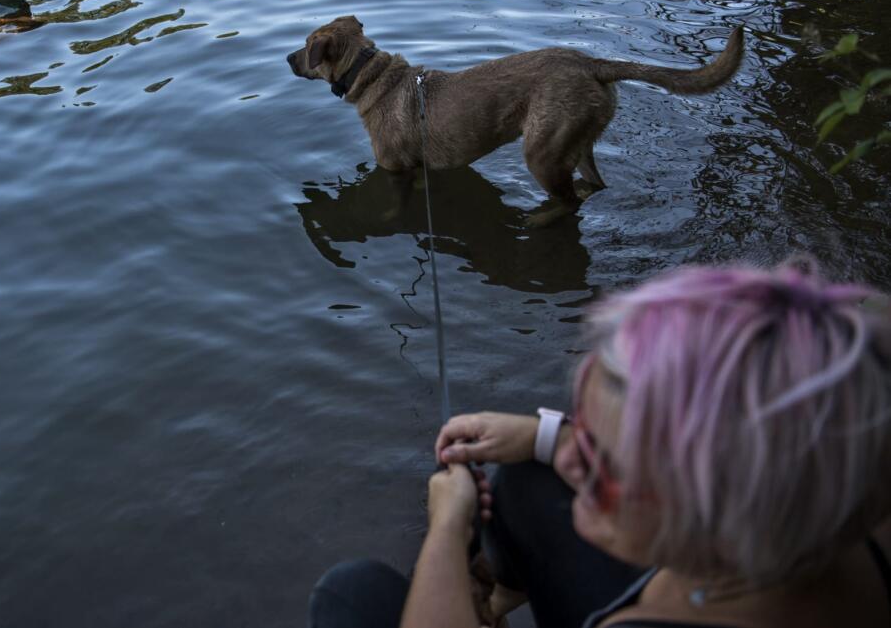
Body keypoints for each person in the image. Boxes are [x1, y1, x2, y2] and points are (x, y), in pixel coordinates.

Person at [309, 262, 891, 628]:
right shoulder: (834, 505)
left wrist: (448, 531)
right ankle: (493, 601)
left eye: (600, 458)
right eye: (580, 431)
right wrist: (541, 436)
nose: (573, 456)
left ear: (705, 510)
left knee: (353, 596)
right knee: (530, 475)